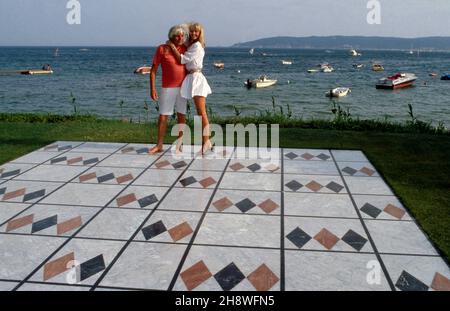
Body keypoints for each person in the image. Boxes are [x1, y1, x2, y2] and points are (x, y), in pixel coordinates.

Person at [167, 22, 213, 154]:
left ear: (200, 34)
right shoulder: (192, 45)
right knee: (193, 112)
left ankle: (206, 141)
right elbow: (182, 38)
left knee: (201, 112)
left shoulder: (197, 46)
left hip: (196, 79)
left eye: (196, 32)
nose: (193, 33)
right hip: (190, 78)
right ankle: (200, 142)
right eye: (191, 31)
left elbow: (182, 59)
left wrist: (171, 47)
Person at [148, 25, 188, 154]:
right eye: (177, 35)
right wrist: (152, 88)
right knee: (163, 116)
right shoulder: (162, 49)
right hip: (167, 88)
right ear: (171, 36)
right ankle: (159, 145)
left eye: (182, 35)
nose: (180, 38)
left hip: (183, 88)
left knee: (181, 115)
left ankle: (179, 145)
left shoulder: (185, 48)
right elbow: (153, 71)